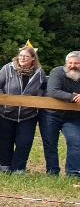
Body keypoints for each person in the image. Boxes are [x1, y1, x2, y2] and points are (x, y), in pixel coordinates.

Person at [0, 46, 45, 174]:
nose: (22, 58)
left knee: (24, 142)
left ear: (33, 59)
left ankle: (18, 169)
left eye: (26, 56)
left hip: (28, 114)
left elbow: (43, 89)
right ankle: (5, 167)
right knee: (6, 140)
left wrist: (36, 101)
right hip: (5, 113)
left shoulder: (39, 73)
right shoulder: (7, 68)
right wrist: (4, 101)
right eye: (21, 55)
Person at [43, 50, 80, 178]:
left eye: (76, 63)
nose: (72, 66)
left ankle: (73, 173)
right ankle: (52, 173)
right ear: (66, 63)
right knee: (50, 144)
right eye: (70, 63)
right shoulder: (57, 72)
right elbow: (52, 91)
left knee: (76, 141)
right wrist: (73, 97)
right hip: (51, 114)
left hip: (73, 117)